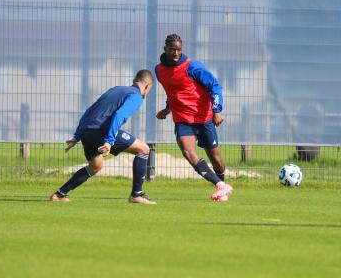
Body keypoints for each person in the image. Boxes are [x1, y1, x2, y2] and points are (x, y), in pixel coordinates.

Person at [50, 69, 156, 204]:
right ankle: (137, 194)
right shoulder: (136, 96)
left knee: (95, 166)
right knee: (144, 149)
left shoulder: (116, 89)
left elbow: (90, 110)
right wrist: (109, 141)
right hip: (101, 131)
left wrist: (77, 135)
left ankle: (59, 195)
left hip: (87, 131)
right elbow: (119, 115)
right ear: (147, 86)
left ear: (134, 81)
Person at [155, 34, 233, 201]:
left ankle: (222, 187)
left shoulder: (193, 67)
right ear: (165, 49)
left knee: (216, 158)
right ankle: (220, 186)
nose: (176, 53)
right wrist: (167, 109)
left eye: (178, 50)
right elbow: (174, 91)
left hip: (204, 117)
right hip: (182, 119)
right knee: (188, 152)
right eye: (172, 50)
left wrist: (217, 110)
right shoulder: (159, 71)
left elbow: (214, 86)